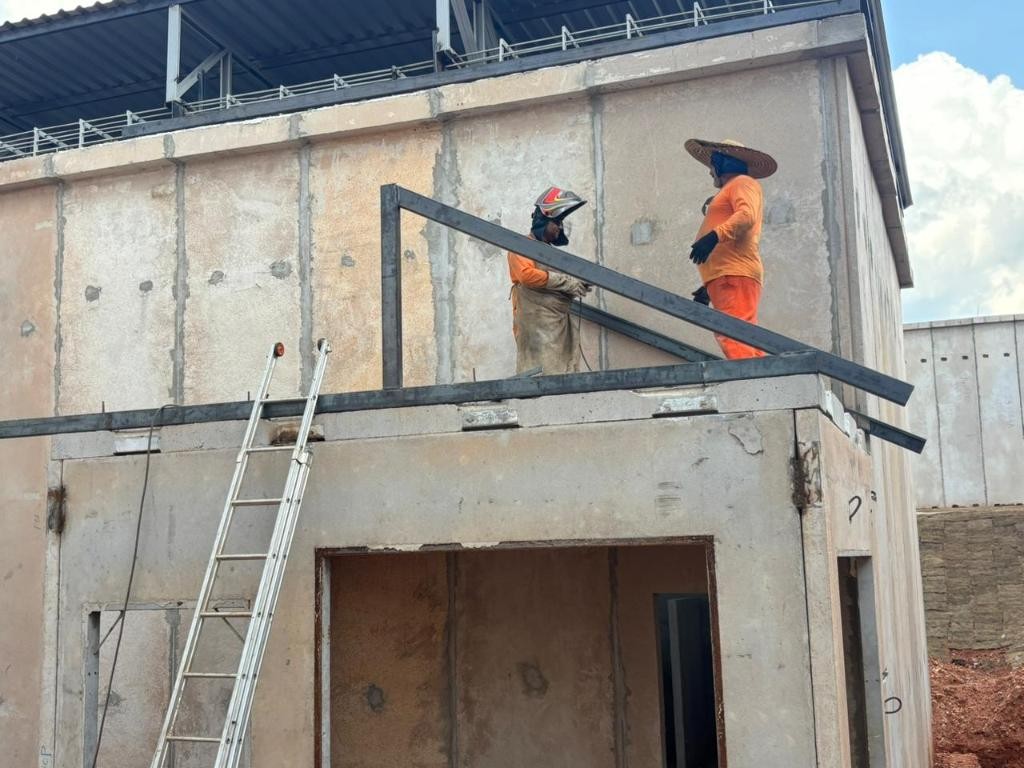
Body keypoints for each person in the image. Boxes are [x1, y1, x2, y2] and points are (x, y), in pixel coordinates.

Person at [684, 138, 777, 359]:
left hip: (732, 275)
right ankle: (760, 375)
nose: (710, 172)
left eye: (712, 165)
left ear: (722, 163)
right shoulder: (737, 186)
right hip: (728, 275)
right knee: (742, 336)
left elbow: (746, 216)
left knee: (733, 335)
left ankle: (751, 377)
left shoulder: (742, 183)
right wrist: (708, 286)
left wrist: (713, 236)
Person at [507, 187, 591, 375]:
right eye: (557, 223)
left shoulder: (550, 254)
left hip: (558, 323)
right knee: (541, 371)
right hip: (537, 325)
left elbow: (558, 281)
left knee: (563, 369)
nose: (560, 228)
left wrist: (577, 282)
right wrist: (565, 282)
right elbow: (527, 276)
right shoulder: (521, 247)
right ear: (543, 221)